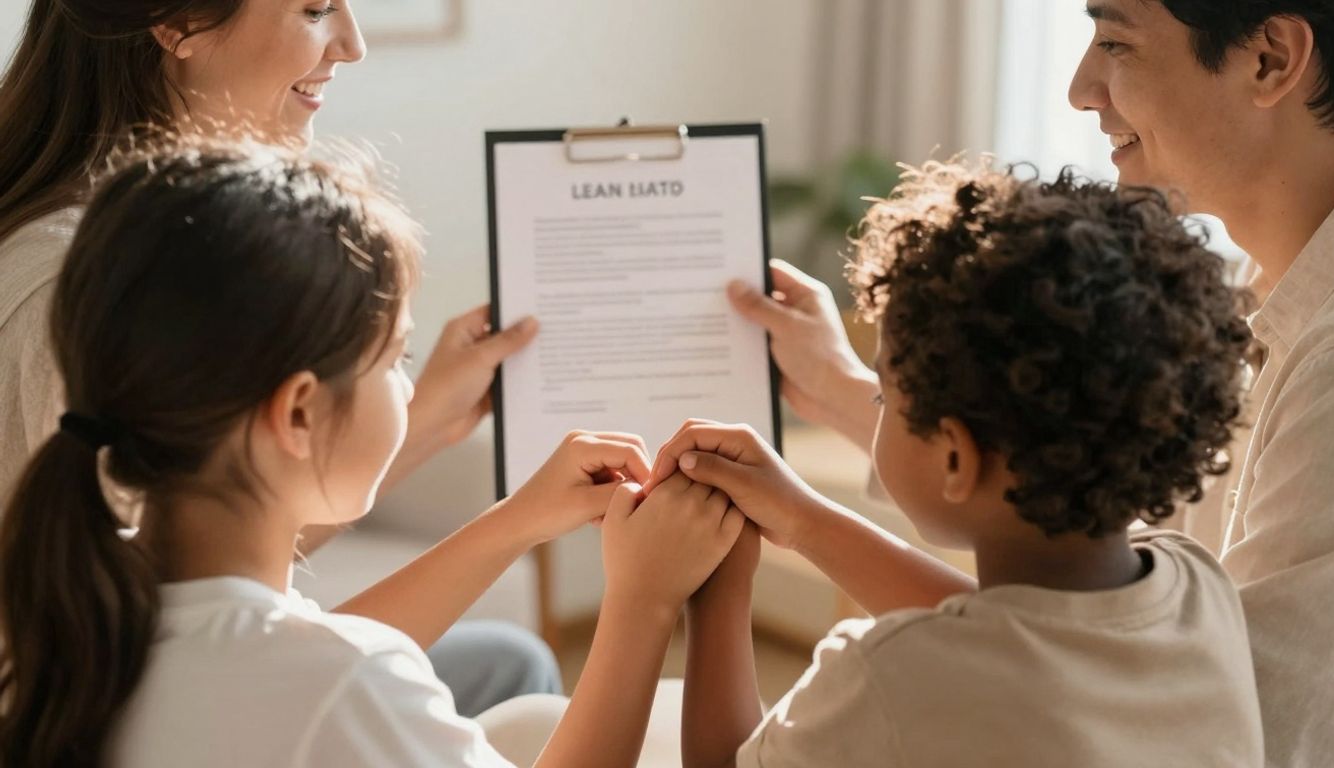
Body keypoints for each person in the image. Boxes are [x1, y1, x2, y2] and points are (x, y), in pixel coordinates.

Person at [727, 2, 1334, 763]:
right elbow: (1106, 645)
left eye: (1116, 41)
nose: (1079, 88)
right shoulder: (1241, 299)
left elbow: (1182, 723)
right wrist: (840, 392)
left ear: (1269, 59)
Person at [0, 137, 746, 767]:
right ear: (297, 412)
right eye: (396, 359)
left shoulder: (76, 616)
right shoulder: (346, 686)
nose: (409, 384)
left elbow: (309, 650)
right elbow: (331, 671)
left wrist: (518, 520)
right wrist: (643, 603)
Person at [0, 0, 556, 710]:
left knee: (507, 664)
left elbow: (219, 533)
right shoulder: (77, 295)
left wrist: (433, 418)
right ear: (178, 24)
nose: (351, 45)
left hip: (170, 682)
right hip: (126, 710)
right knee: (513, 674)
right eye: (315, 9)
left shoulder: (142, 247)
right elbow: (185, 681)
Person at [657, 161, 1262, 767]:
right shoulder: (1197, 587)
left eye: (883, 396)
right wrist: (804, 520)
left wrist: (718, 591)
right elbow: (1025, 634)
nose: (876, 404)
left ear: (955, 456)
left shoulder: (890, 678)